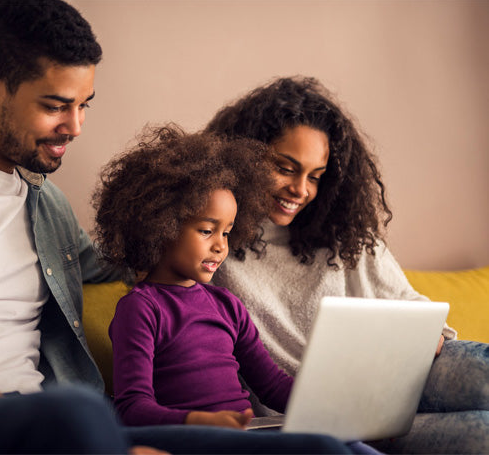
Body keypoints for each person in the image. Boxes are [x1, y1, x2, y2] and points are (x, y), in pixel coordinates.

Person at [0, 1, 353, 453]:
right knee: (82, 410)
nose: (76, 126)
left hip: (67, 415)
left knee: (321, 448)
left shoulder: (46, 205)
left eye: (84, 105)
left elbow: (130, 258)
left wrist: (207, 236)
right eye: (56, 106)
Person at [205, 76, 489, 453]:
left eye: (315, 177)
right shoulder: (213, 240)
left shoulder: (343, 235)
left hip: (394, 385)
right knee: (483, 432)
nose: (301, 190)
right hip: (307, 423)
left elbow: (411, 305)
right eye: (286, 168)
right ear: (245, 156)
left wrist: (425, 333)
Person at [92, 125, 378, 455]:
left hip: (245, 434)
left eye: (227, 232)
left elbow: (271, 384)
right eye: (206, 230)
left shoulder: (225, 304)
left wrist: (325, 405)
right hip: (188, 437)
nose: (220, 246)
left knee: (347, 442)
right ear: (160, 226)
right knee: (323, 448)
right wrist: (197, 421)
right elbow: (132, 409)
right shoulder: (141, 308)